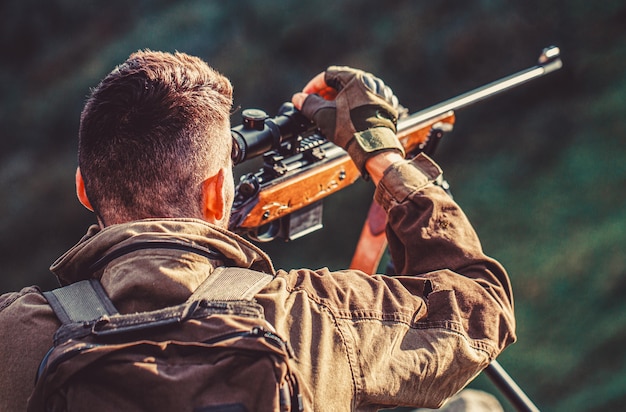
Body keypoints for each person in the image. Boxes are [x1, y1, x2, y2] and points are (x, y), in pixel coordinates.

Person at [0, 50, 515, 411]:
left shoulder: (14, 334)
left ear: (84, 190)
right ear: (218, 194)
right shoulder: (314, 317)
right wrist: (382, 154)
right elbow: (478, 306)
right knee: (474, 407)